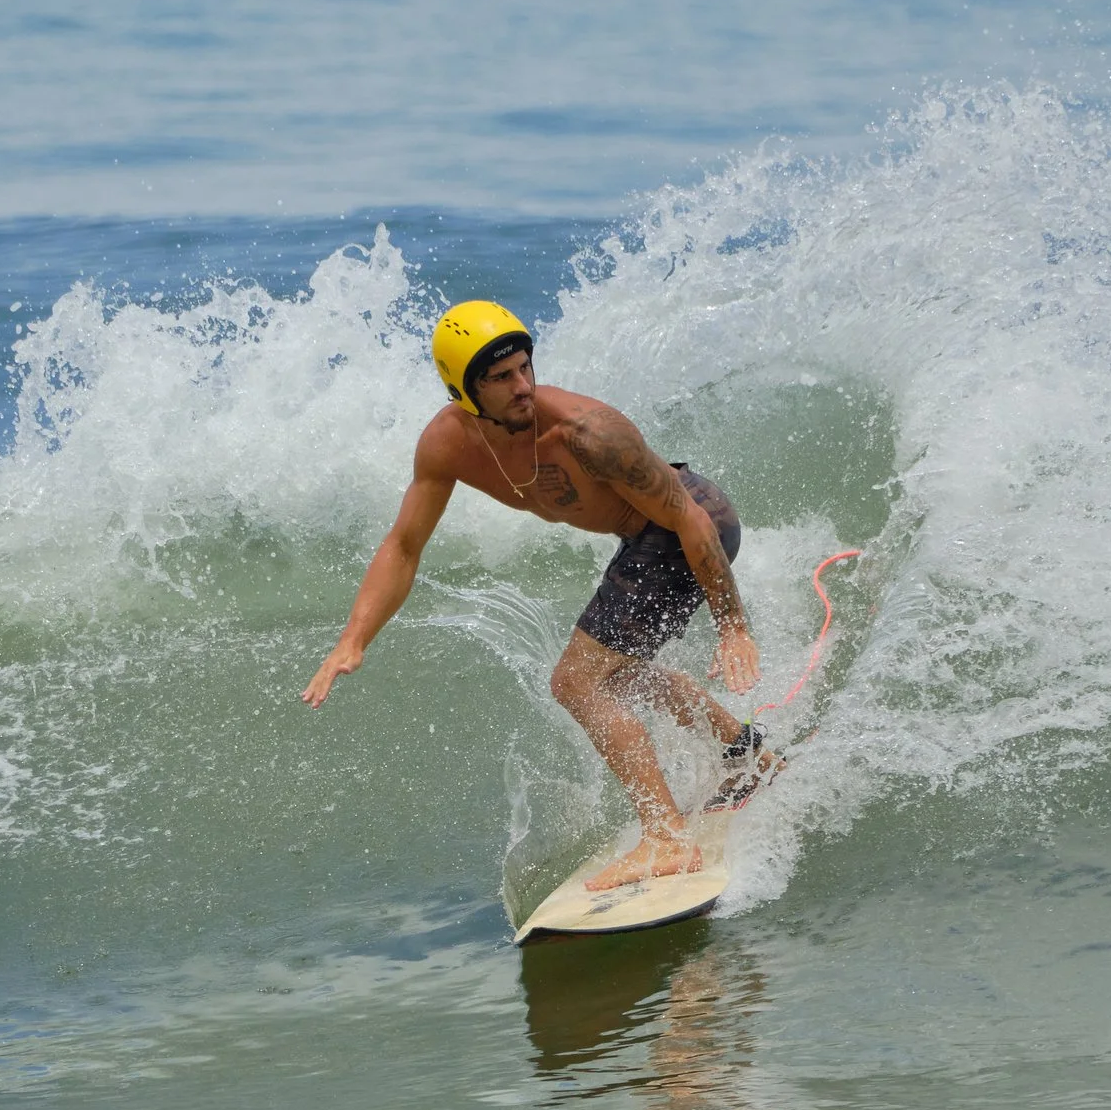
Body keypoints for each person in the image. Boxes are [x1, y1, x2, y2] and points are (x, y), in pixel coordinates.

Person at [301, 300, 782, 891]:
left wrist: (733, 625)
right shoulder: (446, 445)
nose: (522, 387)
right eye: (501, 379)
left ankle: (665, 839)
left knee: (576, 681)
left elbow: (690, 521)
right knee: (615, 675)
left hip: (688, 523)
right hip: (645, 535)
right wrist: (353, 640)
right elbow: (403, 546)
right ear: (463, 389)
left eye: (525, 368)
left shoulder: (587, 432)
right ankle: (747, 752)